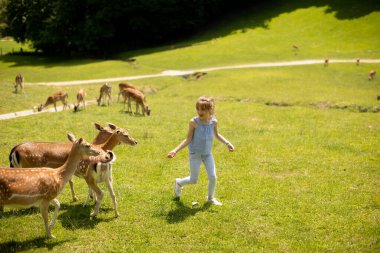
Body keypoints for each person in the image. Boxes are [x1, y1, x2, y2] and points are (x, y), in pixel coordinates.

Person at [167, 96, 235, 205]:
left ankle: (210, 198)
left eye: (203, 109)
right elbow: (188, 139)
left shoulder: (213, 122)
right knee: (194, 180)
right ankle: (179, 183)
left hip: (207, 154)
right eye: (198, 108)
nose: (199, 111)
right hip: (195, 154)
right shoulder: (194, 122)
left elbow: (216, 135)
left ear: (210, 110)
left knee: (213, 177)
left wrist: (227, 143)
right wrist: (175, 150)